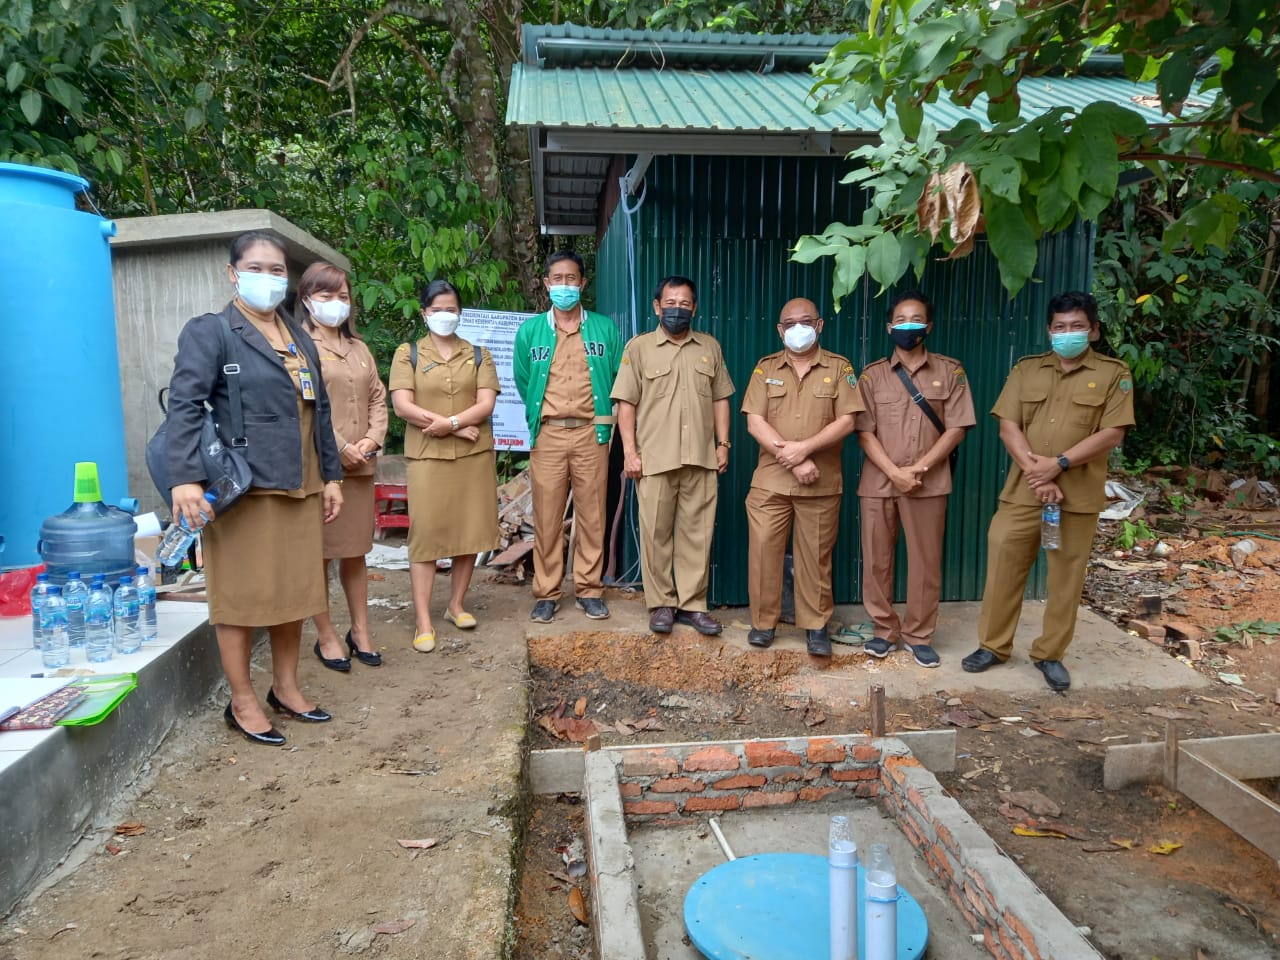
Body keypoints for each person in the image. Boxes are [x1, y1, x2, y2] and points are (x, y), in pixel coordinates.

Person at [167, 231, 344, 746]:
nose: (268, 278)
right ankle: (241, 699)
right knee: (242, 598)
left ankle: (285, 688)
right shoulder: (213, 332)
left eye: (276, 270)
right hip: (245, 488)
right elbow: (184, 405)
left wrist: (330, 476)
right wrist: (184, 478)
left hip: (302, 483)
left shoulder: (298, 334)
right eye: (257, 268)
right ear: (233, 273)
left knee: (296, 594)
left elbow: (320, 413)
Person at [962, 291, 1135, 691]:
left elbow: (1113, 432)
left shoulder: (1113, 373)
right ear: (1049, 330)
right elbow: (1008, 425)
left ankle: (1050, 653)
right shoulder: (1028, 369)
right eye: (1060, 327)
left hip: (1077, 494)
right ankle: (993, 645)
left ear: (1093, 331)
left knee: (1065, 579)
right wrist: (1036, 473)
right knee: (1003, 565)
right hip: (1023, 491)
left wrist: (1057, 465)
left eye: (1077, 327)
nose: (1067, 333)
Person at [856, 290, 976, 667]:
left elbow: (957, 428)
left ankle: (919, 634)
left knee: (925, 561)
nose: (909, 326)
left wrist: (918, 469)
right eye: (901, 320)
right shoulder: (873, 375)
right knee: (877, 559)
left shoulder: (949, 371)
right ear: (889, 326)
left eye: (916, 319)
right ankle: (883, 630)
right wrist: (893, 472)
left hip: (929, 483)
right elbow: (863, 431)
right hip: (878, 482)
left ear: (929, 325)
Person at [611, 275, 735, 636]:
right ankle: (661, 604)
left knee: (697, 535)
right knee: (655, 535)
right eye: (670, 303)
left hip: (700, 457)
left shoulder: (709, 348)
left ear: (694, 308)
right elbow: (626, 404)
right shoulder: (639, 348)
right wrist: (629, 453)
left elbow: (720, 399)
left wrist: (723, 445)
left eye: (684, 304)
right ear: (656, 306)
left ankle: (693, 606)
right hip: (654, 460)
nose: (677, 310)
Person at [741, 298, 862, 657]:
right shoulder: (765, 369)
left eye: (806, 321)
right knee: (763, 552)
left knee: (815, 556)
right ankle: (764, 623)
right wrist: (794, 460)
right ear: (780, 330)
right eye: (790, 323)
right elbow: (754, 421)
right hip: (771, 482)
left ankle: (815, 626)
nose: (798, 328)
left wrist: (804, 449)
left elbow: (847, 421)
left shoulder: (840, 369)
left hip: (820, 483)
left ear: (820, 325)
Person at [389, 280, 500, 653]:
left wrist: (449, 425)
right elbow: (402, 405)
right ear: (424, 313)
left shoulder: (479, 354)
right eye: (436, 309)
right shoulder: (408, 354)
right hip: (426, 455)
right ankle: (423, 620)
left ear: (460, 312)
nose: (444, 315)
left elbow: (485, 405)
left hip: (474, 456)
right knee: (427, 535)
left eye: (451, 309)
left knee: (469, 530)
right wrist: (445, 425)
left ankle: (456, 605)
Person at [513, 251, 623, 624]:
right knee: (546, 515)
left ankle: (590, 589)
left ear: (583, 283)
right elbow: (524, 380)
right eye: (557, 279)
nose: (565, 285)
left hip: (593, 433)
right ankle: (547, 591)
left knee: (593, 514)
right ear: (546, 284)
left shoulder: (605, 329)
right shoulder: (530, 332)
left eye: (571, 279)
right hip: (549, 435)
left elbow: (616, 379)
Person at [300, 261, 388, 671]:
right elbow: (304, 404)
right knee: (318, 554)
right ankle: (326, 634)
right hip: (319, 467)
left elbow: (377, 397)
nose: (336, 304)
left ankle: (361, 630)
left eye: (343, 297)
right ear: (306, 299)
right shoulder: (299, 346)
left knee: (356, 552)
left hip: (360, 467)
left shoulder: (359, 348)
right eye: (326, 295)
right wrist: (339, 446)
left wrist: (371, 440)